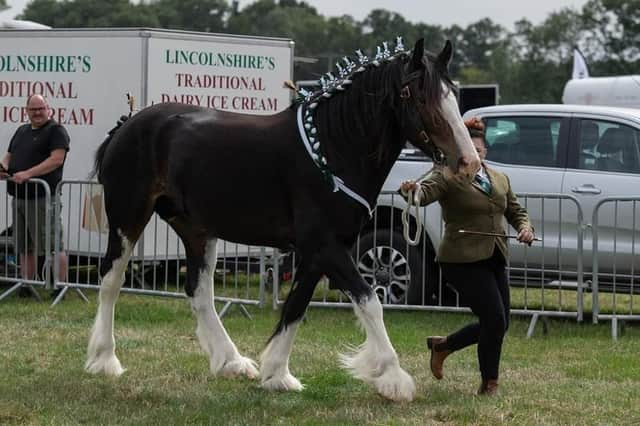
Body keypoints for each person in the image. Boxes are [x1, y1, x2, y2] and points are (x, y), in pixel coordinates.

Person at [399, 116, 535, 396]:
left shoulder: (499, 178)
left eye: (479, 150)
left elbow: (515, 210)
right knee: (495, 320)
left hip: (495, 255)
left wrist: (525, 228)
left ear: (484, 152)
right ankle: (490, 385)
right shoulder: (448, 175)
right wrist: (410, 191)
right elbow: (423, 194)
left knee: (500, 323)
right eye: (468, 150)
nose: (474, 154)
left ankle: (443, 346)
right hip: (460, 260)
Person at [0, 94, 70, 298]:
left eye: (41, 108)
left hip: (43, 197)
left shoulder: (56, 131)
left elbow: (56, 160)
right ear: (26, 111)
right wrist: (3, 167)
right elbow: (9, 155)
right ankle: (26, 284)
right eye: (33, 109)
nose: (37, 112)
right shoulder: (21, 131)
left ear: (48, 109)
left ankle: (59, 287)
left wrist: (27, 174)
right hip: (20, 197)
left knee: (53, 244)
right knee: (24, 245)